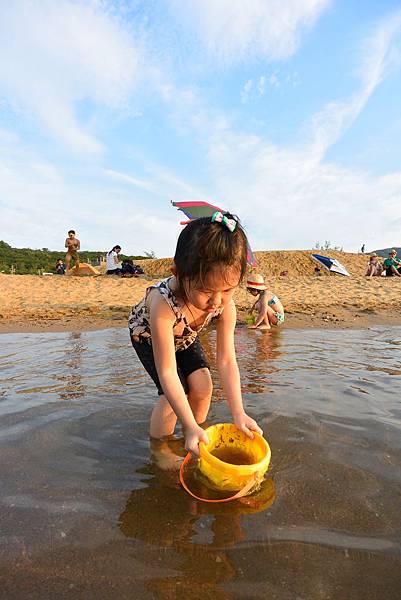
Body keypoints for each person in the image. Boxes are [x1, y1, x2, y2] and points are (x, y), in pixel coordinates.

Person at [128, 211, 262, 457]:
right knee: (171, 396)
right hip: (148, 336)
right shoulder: (163, 305)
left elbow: (227, 360)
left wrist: (239, 413)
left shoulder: (223, 305)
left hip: (186, 334)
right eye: (205, 290)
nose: (216, 301)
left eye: (228, 290)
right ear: (178, 274)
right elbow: (167, 371)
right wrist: (185, 422)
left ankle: (194, 434)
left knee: (203, 385)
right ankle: (161, 449)